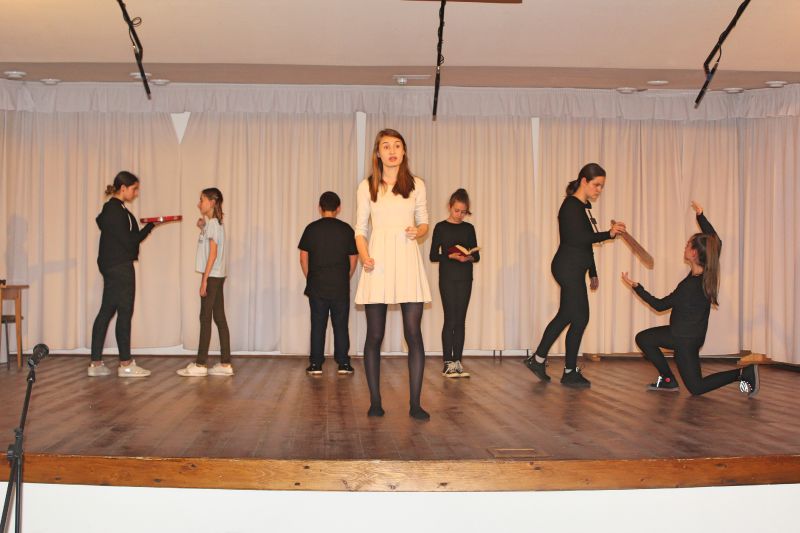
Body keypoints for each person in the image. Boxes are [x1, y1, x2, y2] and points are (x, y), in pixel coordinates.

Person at [622, 201, 759, 397]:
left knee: (643, 339)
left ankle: (669, 379)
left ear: (694, 253)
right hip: (692, 338)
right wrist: (701, 216)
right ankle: (741, 374)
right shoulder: (706, 272)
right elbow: (715, 241)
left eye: (688, 245)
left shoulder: (689, 286)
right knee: (696, 387)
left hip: (681, 338)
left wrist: (637, 287)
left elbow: (659, 305)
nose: (684, 247)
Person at [524, 163, 626, 388]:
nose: (599, 190)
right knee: (579, 317)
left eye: (602, 186)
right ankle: (566, 370)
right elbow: (578, 239)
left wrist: (593, 271)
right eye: (596, 185)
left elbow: (586, 243)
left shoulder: (583, 207)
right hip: (567, 267)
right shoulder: (570, 206)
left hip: (574, 267)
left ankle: (540, 360)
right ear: (584, 181)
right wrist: (609, 234)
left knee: (569, 316)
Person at [355, 129, 431, 420]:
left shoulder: (416, 184)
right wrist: (365, 257)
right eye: (386, 146)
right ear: (378, 153)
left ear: (404, 151)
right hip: (378, 260)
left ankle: (415, 404)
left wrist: (418, 231)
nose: (392, 151)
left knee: (414, 333)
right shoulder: (367, 186)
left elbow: (424, 222)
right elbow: (360, 230)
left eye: (397, 146)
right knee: (375, 334)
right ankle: (375, 401)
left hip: (407, 258)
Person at [88, 171, 160, 377]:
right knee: (124, 313)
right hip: (120, 267)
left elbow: (126, 238)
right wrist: (150, 227)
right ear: (123, 188)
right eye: (134, 189)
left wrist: (149, 226)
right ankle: (126, 364)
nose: (136, 193)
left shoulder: (114, 209)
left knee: (106, 312)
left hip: (113, 266)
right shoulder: (116, 211)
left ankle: (96, 364)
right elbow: (130, 241)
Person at [298, 191, 358, 375]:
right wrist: (346, 276)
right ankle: (343, 363)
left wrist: (310, 277)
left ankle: (316, 364)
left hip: (317, 285)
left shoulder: (311, 229)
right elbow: (353, 257)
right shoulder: (346, 229)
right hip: (340, 285)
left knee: (318, 325)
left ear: (320, 208)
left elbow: (303, 258)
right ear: (338, 208)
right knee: (341, 325)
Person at [177, 188, 233, 377]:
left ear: (212, 202)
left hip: (213, 277)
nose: (199, 204)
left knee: (205, 318)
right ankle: (225, 364)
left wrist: (204, 280)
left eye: (202, 200)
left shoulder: (214, 225)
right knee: (219, 318)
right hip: (217, 276)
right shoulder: (213, 224)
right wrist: (203, 227)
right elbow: (211, 248)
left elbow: (213, 254)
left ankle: (200, 364)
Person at [429, 188, 480, 378]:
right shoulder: (440, 227)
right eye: (457, 210)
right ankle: (447, 362)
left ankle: (458, 362)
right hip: (448, 278)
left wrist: (469, 257)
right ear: (450, 207)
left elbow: (477, 256)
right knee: (450, 319)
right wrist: (450, 256)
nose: (459, 215)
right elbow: (433, 255)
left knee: (460, 320)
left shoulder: (469, 228)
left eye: (463, 212)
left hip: (465, 277)